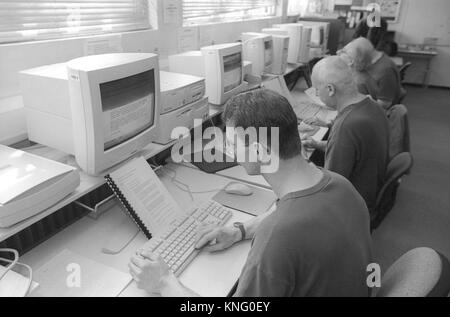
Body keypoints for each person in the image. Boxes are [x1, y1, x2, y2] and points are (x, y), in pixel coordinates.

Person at [129, 88, 373, 297]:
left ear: (258, 151)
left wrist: (164, 283)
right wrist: (239, 231)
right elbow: (286, 216)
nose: (228, 150)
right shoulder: (340, 185)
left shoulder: (278, 236)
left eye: (233, 143)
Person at [303, 56, 389, 216]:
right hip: (368, 187)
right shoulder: (373, 106)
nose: (316, 93)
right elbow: (354, 151)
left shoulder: (346, 126)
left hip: (351, 206)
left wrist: (303, 162)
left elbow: (329, 186)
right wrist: (316, 144)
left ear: (330, 89)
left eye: (316, 89)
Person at [348, 37, 402, 110]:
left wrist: (365, 101)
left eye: (354, 60)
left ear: (363, 56)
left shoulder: (386, 71)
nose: (352, 64)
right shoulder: (368, 61)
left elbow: (385, 104)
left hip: (375, 112)